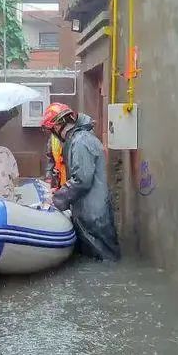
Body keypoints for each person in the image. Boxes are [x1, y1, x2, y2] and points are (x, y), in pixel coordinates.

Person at [41, 104, 121, 261]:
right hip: (93, 213)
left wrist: (57, 199)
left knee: (104, 259)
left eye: (51, 130)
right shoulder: (81, 139)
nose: (53, 134)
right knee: (100, 260)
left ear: (57, 125)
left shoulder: (81, 142)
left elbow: (81, 180)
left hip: (93, 216)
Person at [44, 103, 71, 189]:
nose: (54, 129)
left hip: (72, 185)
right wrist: (49, 178)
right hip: (61, 182)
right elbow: (50, 159)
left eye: (56, 126)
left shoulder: (76, 140)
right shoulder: (53, 138)